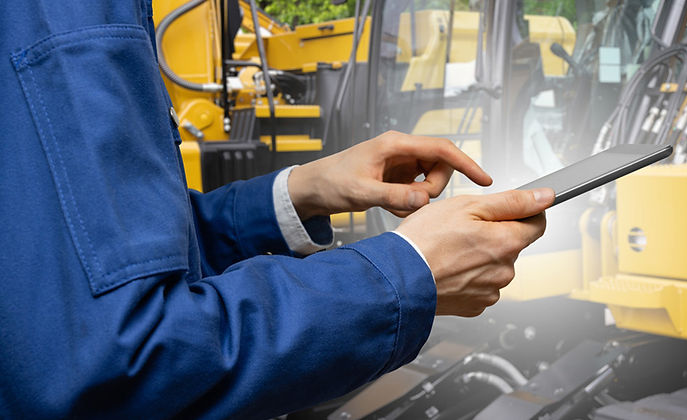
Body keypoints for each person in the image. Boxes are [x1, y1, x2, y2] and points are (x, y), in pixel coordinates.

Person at [0, 0, 552, 418]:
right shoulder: (67, 19)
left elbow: (74, 262)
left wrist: (300, 193)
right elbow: (120, 366)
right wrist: (410, 272)